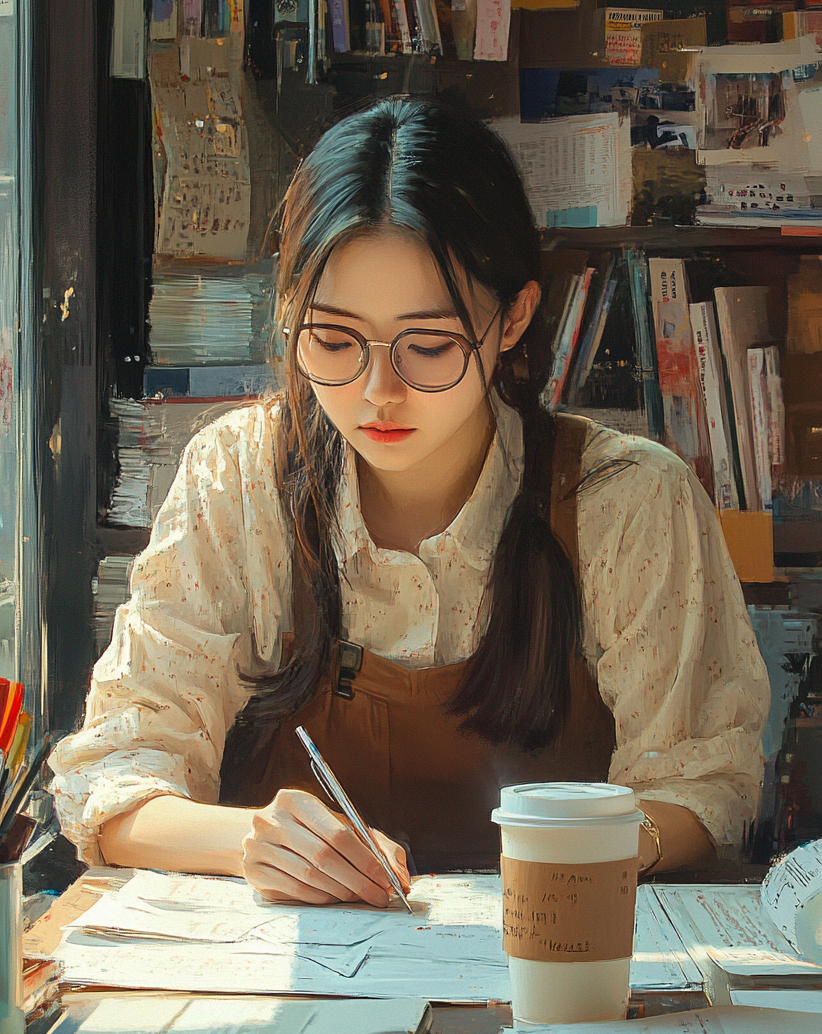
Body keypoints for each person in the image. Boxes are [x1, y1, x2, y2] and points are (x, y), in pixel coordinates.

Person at [50, 96, 771, 909]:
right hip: (306, 996)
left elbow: (706, 784)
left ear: (515, 317)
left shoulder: (627, 500)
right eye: (332, 340)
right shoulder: (239, 479)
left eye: (428, 345)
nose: (377, 392)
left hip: (556, 962)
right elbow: (115, 779)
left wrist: (590, 846)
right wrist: (250, 840)